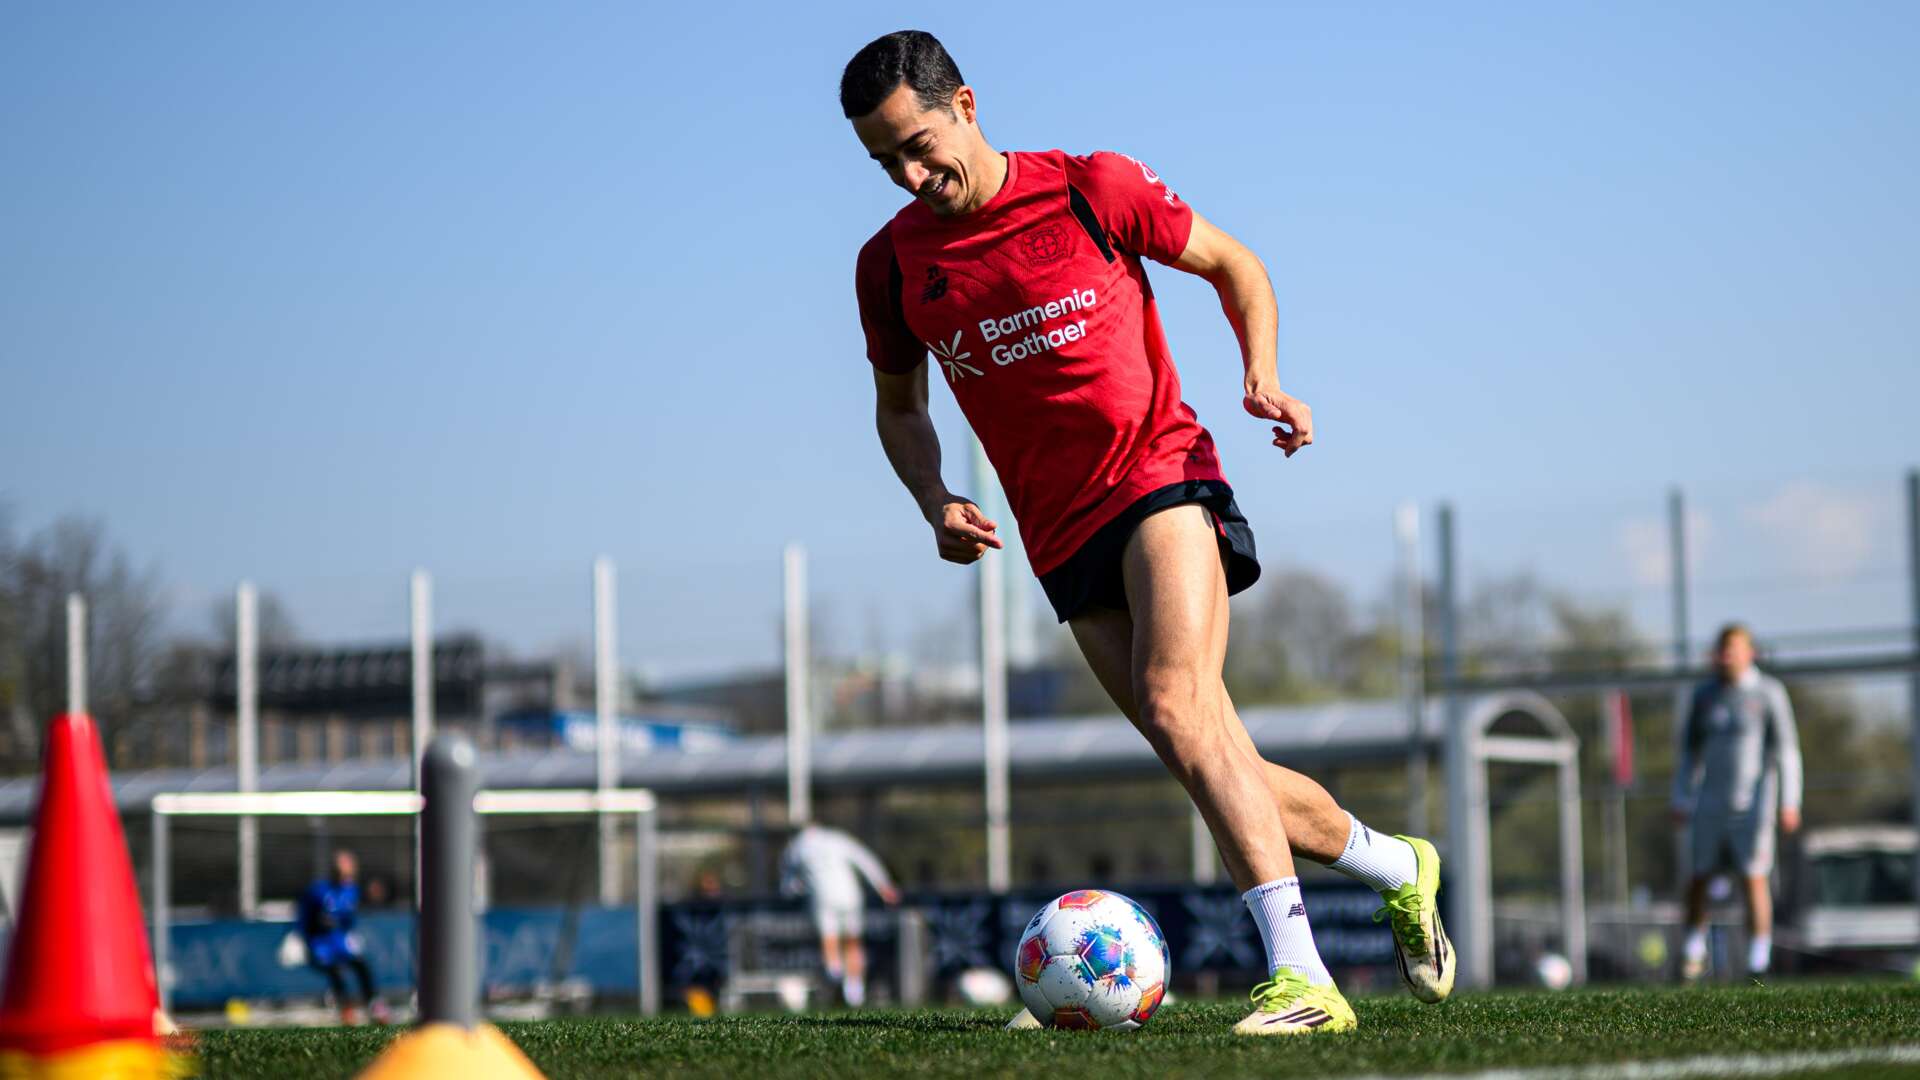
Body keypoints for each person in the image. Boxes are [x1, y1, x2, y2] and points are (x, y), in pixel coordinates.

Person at [842, 31, 1451, 1036]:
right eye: (884, 163)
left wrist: (1262, 374)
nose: (910, 174)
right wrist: (933, 495)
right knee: (1210, 754)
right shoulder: (892, 266)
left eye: (917, 144)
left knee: (1179, 703)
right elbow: (899, 406)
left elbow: (1232, 263)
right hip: (1059, 536)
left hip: (1163, 476)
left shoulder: (1093, 186)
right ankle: (1397, 863)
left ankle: (1303, 981)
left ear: (967, 105)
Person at [1672, 623, 1803, 979]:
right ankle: (1691, 953)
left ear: (1750, 653)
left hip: (1754, 807)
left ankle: (1758, 960)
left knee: (1753, 878)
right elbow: (1689, 753)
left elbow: (1787, 752)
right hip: (1710, 804)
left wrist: (1789, 802)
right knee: (1698, 876)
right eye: (1721, 648)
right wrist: (1681, 796)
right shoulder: (1704, 696)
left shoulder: (1769, 693)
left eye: (1733, 648)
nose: (1725, 655)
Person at [779, 824, 901, 1007]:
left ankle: (836, 982)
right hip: (850, 895)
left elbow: (789, 884)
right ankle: (854, 993)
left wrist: (795, 890)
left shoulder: (796, 847)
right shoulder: (837, 839)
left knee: (830, 941)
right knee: (853, 942)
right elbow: (865, 860)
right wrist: (884, 885)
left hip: (822, 897)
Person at [297, 849, 388, 1024]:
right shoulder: (318, 890)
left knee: (361, 965)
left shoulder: (351, 890)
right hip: (321, 942)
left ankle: (374, 1004)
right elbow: (304, 915)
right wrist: (304, 937)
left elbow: (348, 917)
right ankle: (346, 1007)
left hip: (339, 939)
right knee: (335, 970)